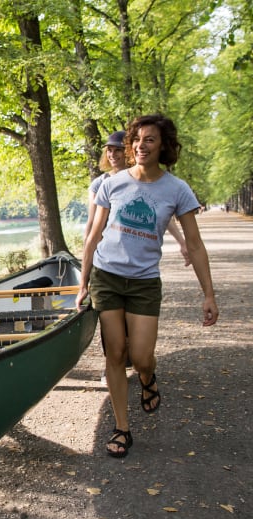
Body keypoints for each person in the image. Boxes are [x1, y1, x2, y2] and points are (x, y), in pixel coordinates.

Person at [76, 114, 218, 459]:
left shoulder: (177, 190)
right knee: (115, 353)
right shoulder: (112, 183)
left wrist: (209, 294)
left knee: (140, 357)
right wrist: (83, 283)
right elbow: (93, 235)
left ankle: (148, 377)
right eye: (137, 139)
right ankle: (122, 427)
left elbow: (195, 245)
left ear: (164, 146)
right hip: (107, 277)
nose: (141, 145)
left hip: (144, 282)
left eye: (150, 139)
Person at [85, 131, 191, 385]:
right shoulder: (100, 183)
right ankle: (113, 363)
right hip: (107, 263)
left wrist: (181, 241)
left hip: (140, 271)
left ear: (126, 152)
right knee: (112, 329)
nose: (112, 154)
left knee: (136, 338)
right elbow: (93, 224)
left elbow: (159, 217)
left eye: (117, 150)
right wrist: (86, 260)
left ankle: (139, 362)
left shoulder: (147, 179)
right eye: (108, 150)